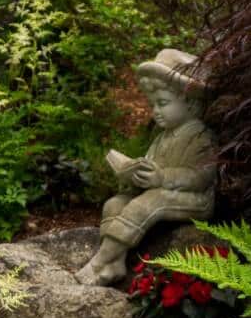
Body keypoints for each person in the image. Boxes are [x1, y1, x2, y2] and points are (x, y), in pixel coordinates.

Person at [74, 49, 215, 286]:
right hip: (161, 191)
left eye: (162, 103)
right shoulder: (161, 139)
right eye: (153, 104)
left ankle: (101, 261)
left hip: (195, 198)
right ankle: (115, 262)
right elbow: (150, 167)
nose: (155, 111)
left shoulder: (201, 136)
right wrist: (133, 174)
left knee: (147, 204)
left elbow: (201, 176)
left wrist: (162, 178)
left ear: (190, 104)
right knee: (115, 203)